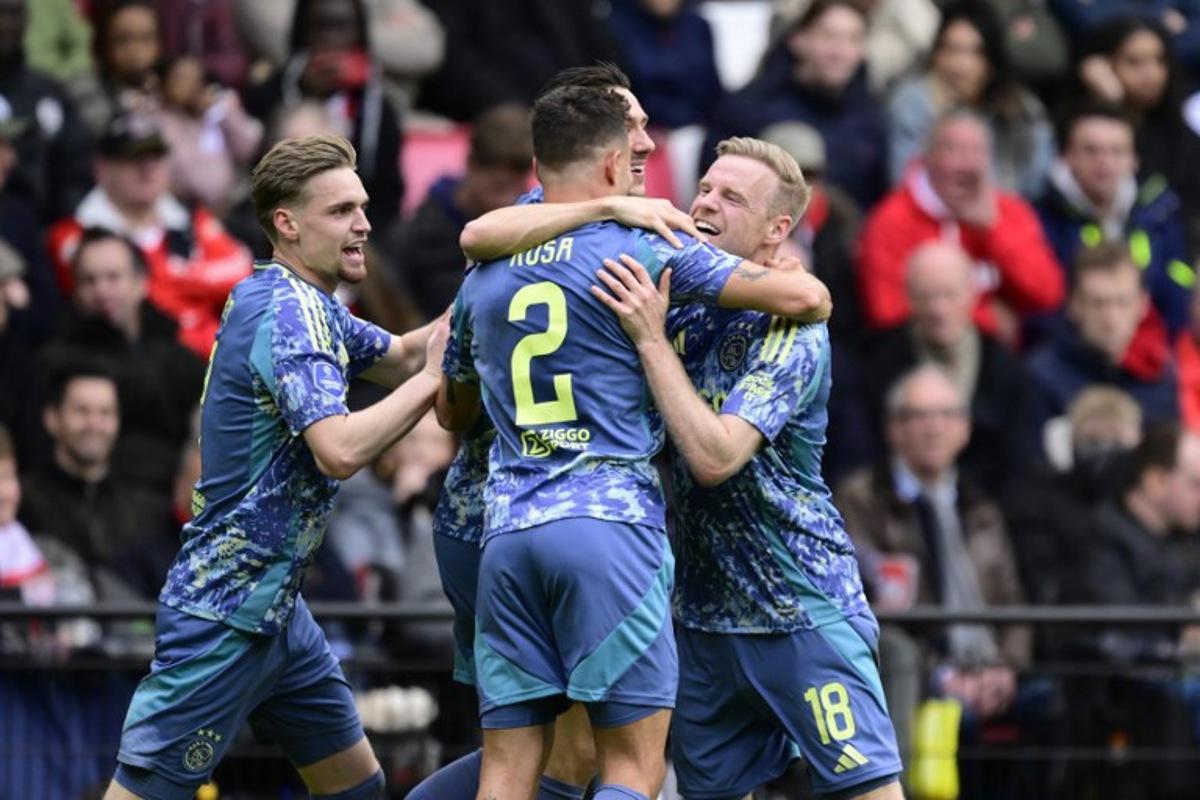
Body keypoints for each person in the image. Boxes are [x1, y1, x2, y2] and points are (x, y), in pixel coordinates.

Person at [436, 85, 832, 800]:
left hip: (506, 533)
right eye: (637, 140)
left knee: (510, 768)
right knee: (630, 766)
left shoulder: (487, 266)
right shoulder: (644, 247)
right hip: (607, 528)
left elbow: (452, 407)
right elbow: (805, 301)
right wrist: (788, 278)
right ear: (613, 165)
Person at [104, 133, 448, 800]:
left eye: (363, 206)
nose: (364, 225)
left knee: (357, 788)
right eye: (341, 211)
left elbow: (405, 354)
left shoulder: (297, 298)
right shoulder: (290, 313)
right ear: (287, 224)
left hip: (280, 613)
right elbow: (339, 450)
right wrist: (434, 381)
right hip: (225, 612)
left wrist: (494, 286)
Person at [590, 136, 904, 799]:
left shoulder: (792, 328)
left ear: (776, 231)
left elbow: (715, 458)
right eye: (704, 187)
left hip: (801, 608)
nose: (705, 202)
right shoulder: (675, 300)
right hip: (704, 623)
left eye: (732, 197)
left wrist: (650, 341)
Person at [409, 62, 688, 800]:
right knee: (593, 756)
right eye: (631, 127)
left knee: (528, 757)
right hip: (563, 517)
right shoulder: (586, 225)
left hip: (500, 526)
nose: (645, 143)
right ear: (594, 145)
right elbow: (475, 234)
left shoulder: (515, 243)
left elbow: (454, 383)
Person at [47, 112, 254, 359]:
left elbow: (243, 277)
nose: (148, 169)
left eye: (156, 156)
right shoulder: (73, 235)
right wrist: (192, 279)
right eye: (133, 158)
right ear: (102, 168)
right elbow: (122, 299)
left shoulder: (191, 219)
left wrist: (172, 277)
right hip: (134, 362)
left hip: (217, 360)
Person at [857, 109, 1065, 344]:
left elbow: (1048, 294)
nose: (968, 164)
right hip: (917, 353)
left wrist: (993, 229)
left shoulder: (1010, 212)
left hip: (1002, 358)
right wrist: (988, 321)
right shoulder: (891, 220)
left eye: (977, 151)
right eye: (954, 150)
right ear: (929, 156)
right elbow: (887, 313)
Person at [41, 227, 205, 495]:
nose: (101, 290)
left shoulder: (176, 354)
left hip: (176, 497)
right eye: (89, 280)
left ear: (141, 282)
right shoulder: (58, 362)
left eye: (113, 277)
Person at [886, 1, 1056, 200]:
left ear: (992, 61)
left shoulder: (1020, 108)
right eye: (951, 49)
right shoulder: (913, 103)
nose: (961, 65)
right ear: (936, 55)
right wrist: (944, 121)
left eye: (975, 52)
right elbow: (904, 182)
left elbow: (1037, 182)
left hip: (1006, 214)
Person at [1025, 241, 1179, 435]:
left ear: (1143, 305)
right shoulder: (1041, 379)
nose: (1111, 319)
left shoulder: (1158, 373)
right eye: (1098, 303)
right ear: (1074, 305)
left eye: (1122, 302)